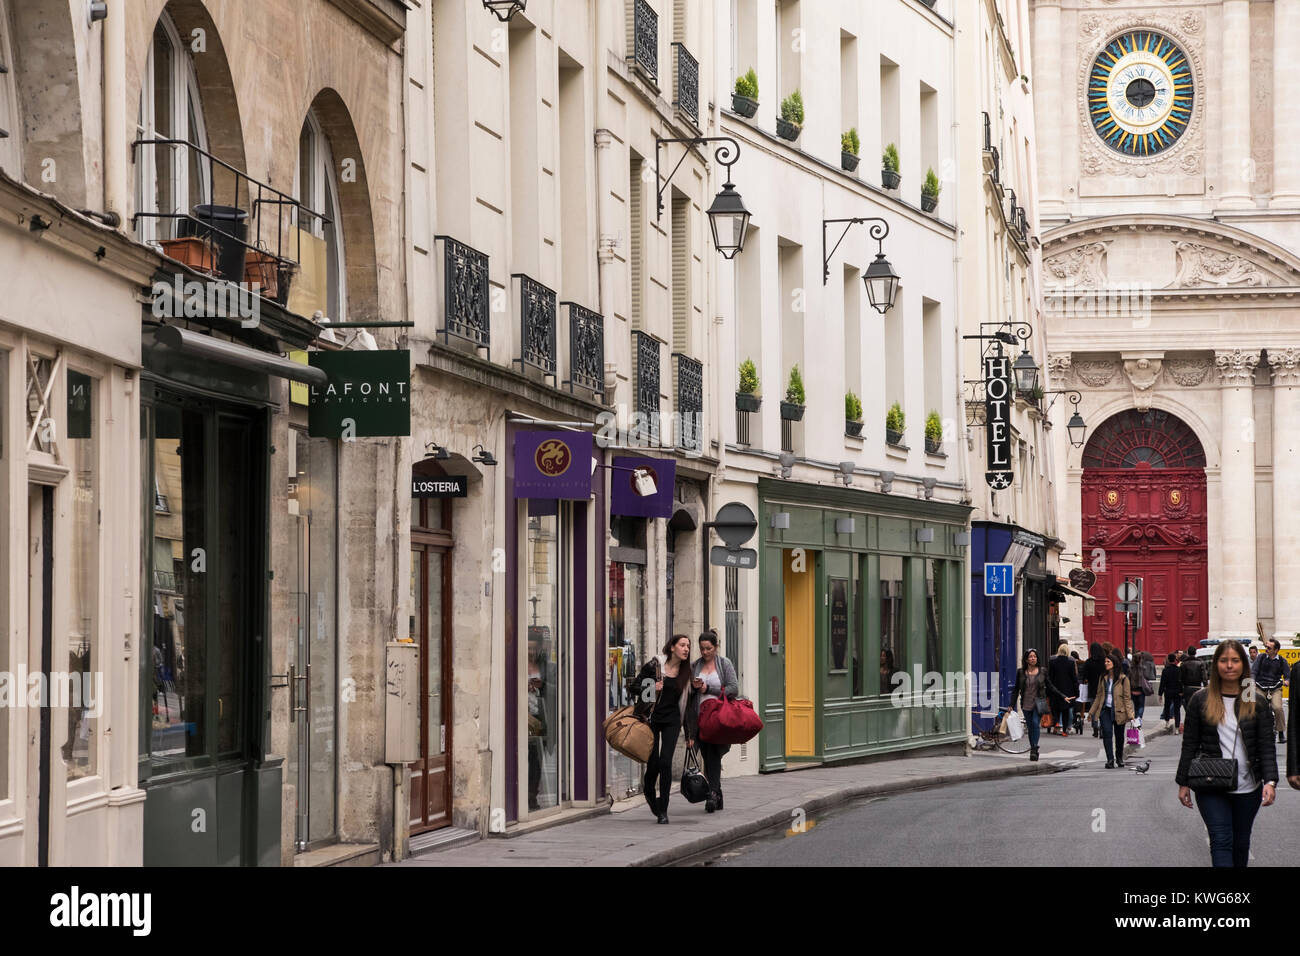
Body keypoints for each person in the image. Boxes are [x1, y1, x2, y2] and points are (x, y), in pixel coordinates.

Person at [1176, 640, 1278, 868]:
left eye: (1235, 660)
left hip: (1248, 787)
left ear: (1244, 665)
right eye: (1223, 661)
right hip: (1211, 784)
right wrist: (1183, 782)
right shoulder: (1200, 700)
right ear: (1215, 665)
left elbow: (1266, 745)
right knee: (1221, 840)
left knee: (1241, 844)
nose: (1229, 666)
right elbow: (1189, 744)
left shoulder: (1256, 701)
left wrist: (1270, 781)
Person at [634, 634, 696, 824]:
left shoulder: (687, 672)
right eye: (682, 645)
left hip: (672, 720)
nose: (686, 649)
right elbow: (635, 687)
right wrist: (653, 687)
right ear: (672, 647)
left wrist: (689, 734)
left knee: (665, 762)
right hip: (651, 718)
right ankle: (650, 793)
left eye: (688, 646)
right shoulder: (655, 665)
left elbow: (687, 706)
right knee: (652, 764)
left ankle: (664, 811)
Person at [690, 630, 738, 813]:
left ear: (716, 647)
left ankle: (713, 794)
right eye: (702, 649)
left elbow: (733, 689)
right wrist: (694, 689)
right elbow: (690, 695)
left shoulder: (724, 664)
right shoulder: (695, 666)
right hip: (700, 717)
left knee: (712, 754)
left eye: (708, 648)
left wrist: (708, 688)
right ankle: (716, 793)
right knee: (706, 755)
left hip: (718, 717)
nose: (705, 652)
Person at [1010, 650, 1064, 761]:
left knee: (1035, 723)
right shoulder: (1020, 672)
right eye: (1030, 657)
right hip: (1026, 703)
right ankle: (1033, 748)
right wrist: (1011, 704)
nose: (1033, 658)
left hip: (1038, 704)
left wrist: (1062, 696)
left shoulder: (1042, 671)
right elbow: (1016, 689)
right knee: (1030, 728)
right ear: (1026, 659)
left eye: (1035, 656)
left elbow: (1050, 686)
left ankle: (1034, 749)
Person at [1088, 653, 1134, 768]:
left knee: (1119, 736)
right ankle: (1110, 759)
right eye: (1105, 662)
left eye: (1108, 662)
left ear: (1114, 664)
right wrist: (1091, 712)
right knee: (1107, 733)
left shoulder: (1123, 679)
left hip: (1119, 711)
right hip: (1105, 710)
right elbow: (1098, 696)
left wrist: (1131, 715)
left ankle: (1119, 757)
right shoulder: (1103, 678)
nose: (1106, 664)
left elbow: (1127, 699)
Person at [1252, 639, 1291, 744]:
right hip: (1261, 687)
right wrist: (1252, 681)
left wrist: (1287, 681)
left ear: (1276, 650)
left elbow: (1288, 675)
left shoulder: (1282, 661)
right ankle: (1255, 732)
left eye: (1269, 648)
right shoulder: (1261, 658)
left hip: (1275, 688)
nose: (1266, 649)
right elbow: (1254, 671)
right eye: (1266, 647)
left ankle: (1281, 733)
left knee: (1278, 708)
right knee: (1257, 707)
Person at [1048, 643, 1080, 735]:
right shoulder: (1070, 662)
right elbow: (1074, 678)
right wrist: (1076, 692)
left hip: (1056, 689)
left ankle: (1059, 724)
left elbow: (1050, 677)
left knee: (1057, 708)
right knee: (1068, 709)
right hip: (1068, 689)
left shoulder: (1053, 662)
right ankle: (1067, 727)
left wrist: (1049, 690)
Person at [1083, 643, 1107, 737]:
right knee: (1102, 708)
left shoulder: (1088, 662)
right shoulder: (1104, 661)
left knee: (1094, 708)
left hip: (1092, 688)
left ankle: (1095, 727)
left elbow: (1085, 676)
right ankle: (1102, 727)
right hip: (1103, 688)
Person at [1159, 651, 1183, 732]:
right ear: (1175, 660)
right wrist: (1181, 691)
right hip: (1177, 691)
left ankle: (1167, 722)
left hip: (1168, 691)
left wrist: (1160, 694)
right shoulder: (1178, 670)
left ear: (1168, 660)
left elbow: (1162, 683)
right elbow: (1181, 682)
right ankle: (1176, 728)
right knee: (1177, 710)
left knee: (1167, 707)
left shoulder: (1165, 670)